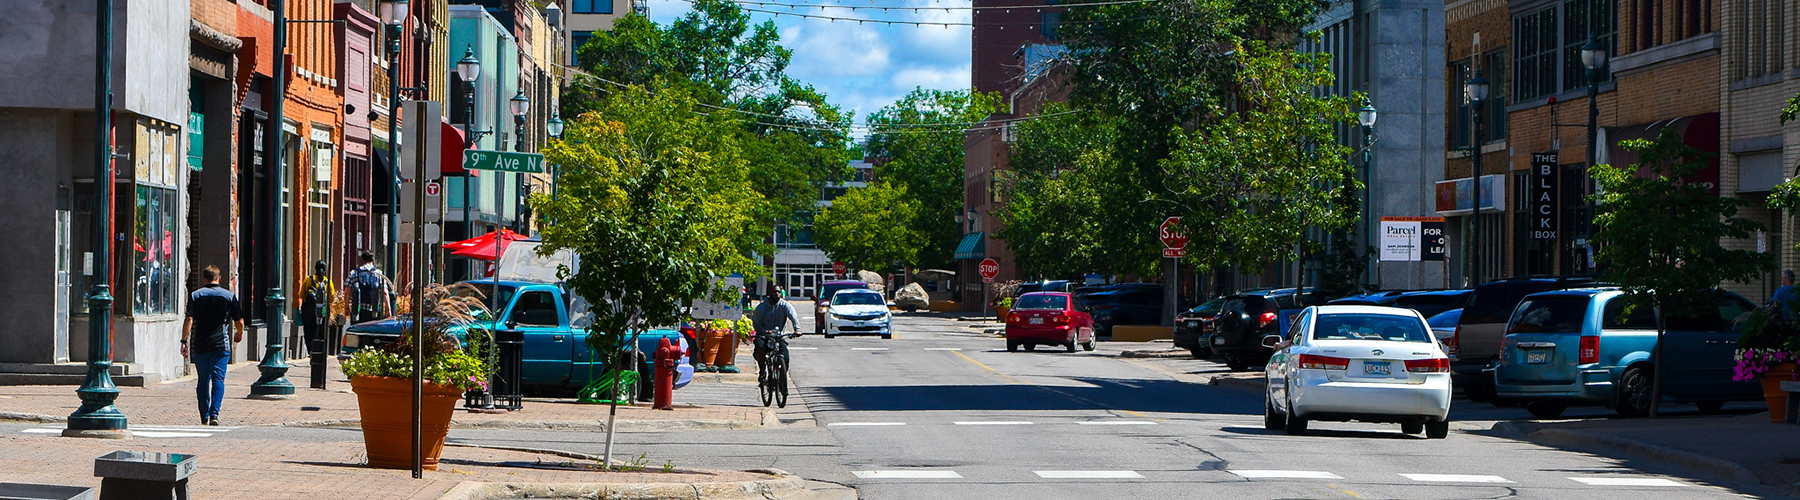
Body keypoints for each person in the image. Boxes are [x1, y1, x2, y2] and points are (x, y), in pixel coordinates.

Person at [182, 265, 243, 426]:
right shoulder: (229, 296)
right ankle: (214, 414)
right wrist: (239, 333)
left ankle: (204, 415)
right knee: (218, 380)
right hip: (220, 346)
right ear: (219, 278)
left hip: (201, 345)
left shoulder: (196, 295)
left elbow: (189, 319)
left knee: (203, 380)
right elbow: (239, 321)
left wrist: (183, 341)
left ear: (204, 279)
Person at [750, 290, 801, 371]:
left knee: (786, 356)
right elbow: (756, 322)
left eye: (778, 292)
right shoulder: (762, 307)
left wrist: (797, 329)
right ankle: (762, 371)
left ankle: (782, 376)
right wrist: (764, 331)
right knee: (760, 347)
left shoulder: (785, 305)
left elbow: (793, 316)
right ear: (769, 293)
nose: (776, 293)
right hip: (764, 336)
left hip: (779, 337)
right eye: (774, 292)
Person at [346, 250, 394, 324]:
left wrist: (346, 307)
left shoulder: (354, 273)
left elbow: (347, 290)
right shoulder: (379, 274)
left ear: (362, 260)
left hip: (359, 310)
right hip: (375, 310)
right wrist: (388, 309)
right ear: (372, 260)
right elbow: (385, 292)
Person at [298, 260, 335, 354]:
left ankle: (310, 350)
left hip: (308, 312)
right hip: (323, 312)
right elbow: (331, 299)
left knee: (309, 333)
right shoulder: (328, 282)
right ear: (325, 270)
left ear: (315, 268)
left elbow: (301, 295)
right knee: (321, 333)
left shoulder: (308, 279)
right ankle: (319, 351)